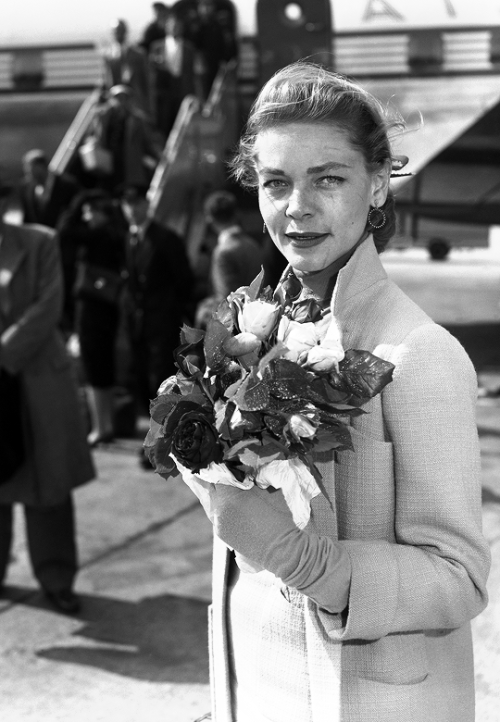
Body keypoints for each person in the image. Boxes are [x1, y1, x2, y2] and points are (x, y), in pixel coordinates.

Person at [171, 63, 491, 721]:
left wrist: (307, 562)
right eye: (276, 183)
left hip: (365, 698)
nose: (297, 207)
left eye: (328, 179)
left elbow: (458, 579)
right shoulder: (251, 326)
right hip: (258, 681)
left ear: (377, 185)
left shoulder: (419, 354)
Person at [0, 179, 95, 614]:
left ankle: (56, 577)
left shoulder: (41, 242)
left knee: (48, 485)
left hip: (36, 380)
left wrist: (4, 353)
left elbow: (47, 306)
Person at [121, 186, 195, 461]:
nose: (132, 210)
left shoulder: (166, 238)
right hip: (138, 324)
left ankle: (159, 445)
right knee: (141, 380)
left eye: (136, 203)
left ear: (146, 205)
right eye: (127, 205)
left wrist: (172, 312)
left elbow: (184, 279)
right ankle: (155, 440)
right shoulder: (129, 238)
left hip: (162, 323)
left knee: (160, 382)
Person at [57, 190, 127, 447]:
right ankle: (105, 424)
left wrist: (78, 200)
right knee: (104, 365)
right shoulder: (115, 234)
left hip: (91, 309)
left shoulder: (97, 235)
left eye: (89, 212)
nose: (85, 218)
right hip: (108, 307)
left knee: (92, 366)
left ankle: (99, 428)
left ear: (100, 213)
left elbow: (64, 230)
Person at [195, 190, 263, 328]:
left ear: (210, 219)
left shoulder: (222, 253)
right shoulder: (253, 244)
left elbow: (225, 300)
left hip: (235, 328)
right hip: (259, 320)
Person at [83, 84, 163, 193]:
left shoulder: (137, 120)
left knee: (127, 192)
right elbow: (91, 136)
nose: (121, 101)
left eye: (124, 98)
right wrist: (93, 143)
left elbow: (148, 142)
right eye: (117, 98)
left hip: (127, 163)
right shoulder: (102, 117)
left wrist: (159, 156)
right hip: (107, 161)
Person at [149, 7, 196, 137]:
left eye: (177, 26)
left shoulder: (189, 48)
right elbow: (151, 70)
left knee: (183, 122)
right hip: (164, 92)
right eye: (172, 26)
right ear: (166, 27)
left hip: (182, 91)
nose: (175, 28)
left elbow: (193, 74)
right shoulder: (157, 47)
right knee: (164, 124)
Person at [102, 18, 152, 118]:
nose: (118, 34)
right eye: (116, 31)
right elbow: (106, 79)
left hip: (135, 101)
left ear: (125, 31)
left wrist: (148, 107)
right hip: (115, 101)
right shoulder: (108, 56)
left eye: (121, 30)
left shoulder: (138, 54)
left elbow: (146, 82)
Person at [19, 149, 80, 229]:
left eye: (31, 171)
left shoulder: (67, 185)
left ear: (43, 166)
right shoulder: (27, 188)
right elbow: (27, 219)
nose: (29, 176)